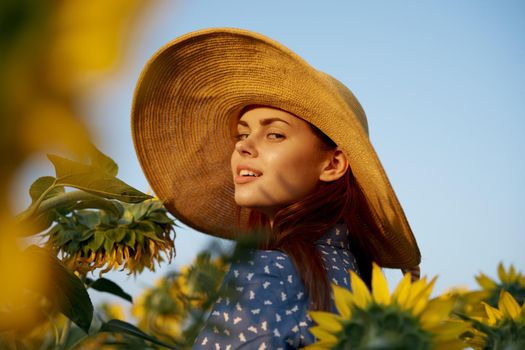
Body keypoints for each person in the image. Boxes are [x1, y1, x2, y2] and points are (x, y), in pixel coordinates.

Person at [131, 28, 421, 349]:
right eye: (242, 135)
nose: (244, 147)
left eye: (275, 135)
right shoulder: (357, 285)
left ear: (333, 164)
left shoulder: (269, 273)